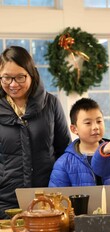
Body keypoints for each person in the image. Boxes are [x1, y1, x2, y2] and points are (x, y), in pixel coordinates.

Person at [0, 46, 71, 219]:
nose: (13, 84)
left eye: (20, 77)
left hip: (48, 197)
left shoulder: (51, 104)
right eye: (6, 78)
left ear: (32, 74)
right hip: (5, 201)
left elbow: (65, 151)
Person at [48, 97, 110, 187]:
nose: (95, 127)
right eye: (88, 123)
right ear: (74, 129)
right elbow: (56, 198)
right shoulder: (63, 163)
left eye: (99, 121)